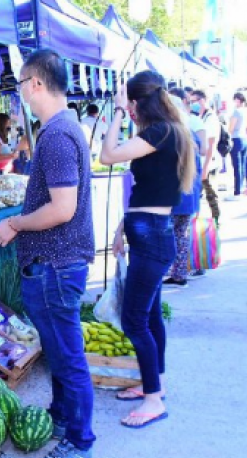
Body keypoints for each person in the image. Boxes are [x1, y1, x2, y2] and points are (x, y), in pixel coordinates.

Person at [0, 49, 96, 458]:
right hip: (56, 262)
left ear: (35, 83)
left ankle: (80, 441)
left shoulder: (55, 135)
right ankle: (65, 417)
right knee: (59, 351)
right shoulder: (63, 128)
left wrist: (15, 223)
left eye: (19, 83)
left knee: (68, 356)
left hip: (55, 264)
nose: (19, 93)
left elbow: (62, 209)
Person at [100, 70, 196, 428]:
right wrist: (122, 227)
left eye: (131, 104)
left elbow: (108, 155)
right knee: (150, 316)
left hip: (153, 236)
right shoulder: (165, 131)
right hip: (148, 231)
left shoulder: (160, 132)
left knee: (134, 319)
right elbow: (149, 190)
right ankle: (153, 383)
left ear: (138, 102)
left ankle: (154, 399)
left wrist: (118, 112)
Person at [164, 89, 204, 288]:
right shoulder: (190, 135)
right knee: (181, 235)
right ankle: (180, 274)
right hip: (189, 195)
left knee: (168, 235)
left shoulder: (172, 136)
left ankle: (171, 272)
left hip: (174, 196)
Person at [189, 89, 222, 226]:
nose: (192, 104)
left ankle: (215, 222)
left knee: (211, 194)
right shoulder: (199, 116)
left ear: (203, 100)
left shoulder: (211, 118)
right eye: (191, 101)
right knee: (197, 195)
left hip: (209, 162)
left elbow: (212, 144)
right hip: (200, 163)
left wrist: (206, 168)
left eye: (195, 101)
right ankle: (196, 224)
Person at [226, 92, 247, 201]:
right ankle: (240, 189)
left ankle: (237, 192)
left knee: (237, 166)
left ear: (237, 100)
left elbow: (231, 128)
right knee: (242, 165)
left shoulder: (236, 112)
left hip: (236, 139)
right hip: (244, 138)